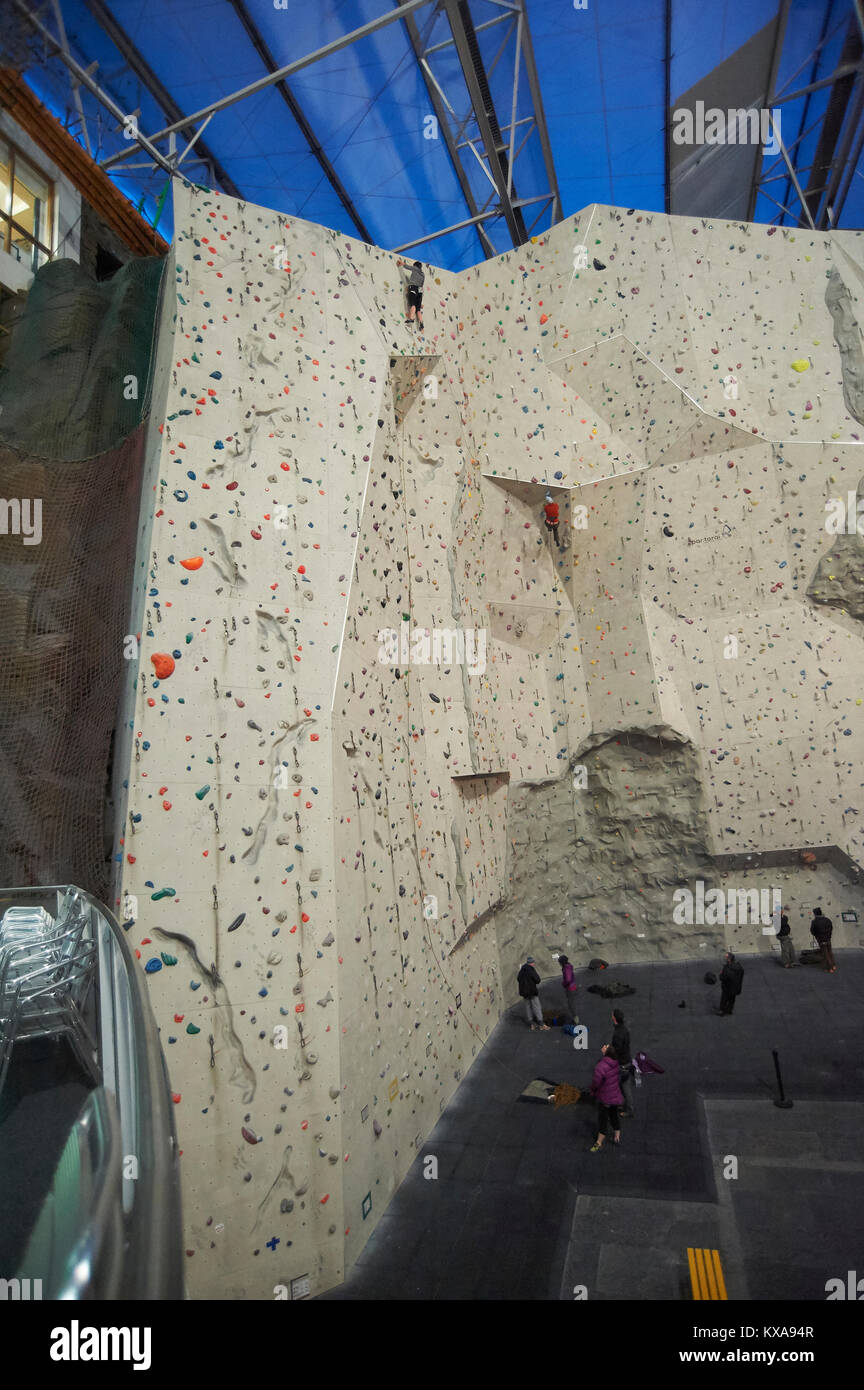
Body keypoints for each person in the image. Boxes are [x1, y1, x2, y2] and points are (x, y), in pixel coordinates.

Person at [589, 1041, 623, 1151]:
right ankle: (617, 1135)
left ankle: (599, 1142)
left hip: (605, 1098)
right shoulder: (615, 1062)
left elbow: (596, 1083)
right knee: (614, 1114)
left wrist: (593, 1091)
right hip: (614, 1095)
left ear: (606, 1052)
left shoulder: (601, 1066)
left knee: (603, 1119)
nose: (603, 1046)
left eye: (606, 1046)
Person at [611, 1008, 634, 1117]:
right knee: (624, 1085)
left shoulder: (617, 1034)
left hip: (621, 1064)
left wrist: (608, 1051)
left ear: (614, 1018)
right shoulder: (624, 1029)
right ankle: (624, 1105)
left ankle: (628, 1109)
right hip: (627, 1060)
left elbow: (617, 1051)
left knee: (623, 1086)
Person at [517, 955, 549, 1031]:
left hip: (524, 993)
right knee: (536, 1007)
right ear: (531, 963)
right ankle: (541, 1024)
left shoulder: (521, 970)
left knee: (528, 1007)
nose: (534, 963)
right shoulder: (531, 969)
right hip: (532, 992)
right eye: (533, 962)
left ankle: (532, 1024)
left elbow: (518, 979)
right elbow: (538, 980)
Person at [810, 906, 836, 972]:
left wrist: (816, 935)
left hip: (821, 939)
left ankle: (830, 968)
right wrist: (829, 935)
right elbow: (831, 928)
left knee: (825, 954)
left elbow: (812, 931)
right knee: (830, 952)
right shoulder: (827, 919)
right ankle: (833, 965)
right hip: (828, 938)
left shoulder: (814, 921)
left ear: (815, 914)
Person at [402, 259, 425, 329]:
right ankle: (421, 322)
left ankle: (411, 319)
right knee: (418, 309)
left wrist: (401, 263)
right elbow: (422, 284)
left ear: (415, 266)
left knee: (412, 304)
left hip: (413, 288)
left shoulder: (415, 268)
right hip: (420, 291)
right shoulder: (423, 274)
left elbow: (407, 267)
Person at [558, 953, 578, 1021]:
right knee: (571, 1002)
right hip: (573, 986)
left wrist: (564, 983)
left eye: (560, 962)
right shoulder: (568, 966)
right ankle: (574, 1017)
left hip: (570, 988)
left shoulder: (566, 968)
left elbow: (568, 979)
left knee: (571, 1004)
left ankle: (575, 1018)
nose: (559, 964)